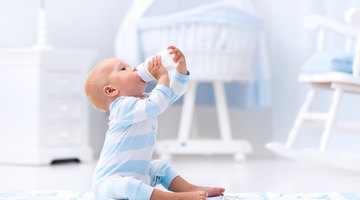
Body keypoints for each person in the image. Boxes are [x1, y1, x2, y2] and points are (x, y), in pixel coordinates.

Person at [85, 45, 225, 200]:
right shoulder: (120, 108)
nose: (133, 68)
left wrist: (180, 70)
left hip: (139, 177)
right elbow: (157, 104)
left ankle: (191, 188)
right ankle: (177, 198)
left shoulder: (144, 101)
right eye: (124, 69)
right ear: (111, 90)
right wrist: (162, 77)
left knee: (159, 167)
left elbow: (172, 93)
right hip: (109, 186)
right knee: (128, 185)